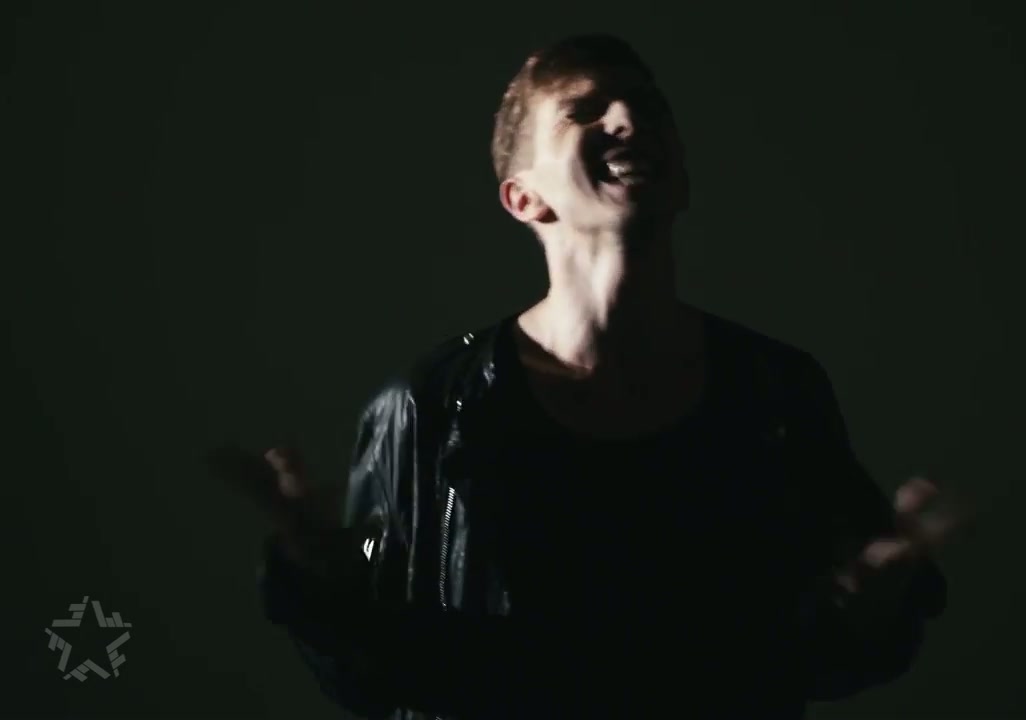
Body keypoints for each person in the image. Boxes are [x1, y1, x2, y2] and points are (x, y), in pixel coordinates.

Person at [211, 33, 953, 720]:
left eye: (649, 106)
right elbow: (377, 675)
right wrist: (322, 584)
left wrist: (875, 604)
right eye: (584, 110)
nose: (629, 117)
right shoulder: (431, 405)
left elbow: (823, 658)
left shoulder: (776, 393)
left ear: (681, 176)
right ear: (524, 197)